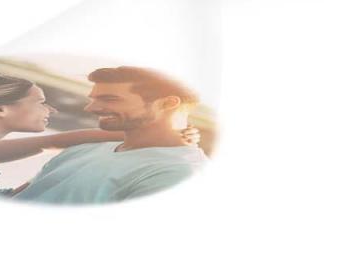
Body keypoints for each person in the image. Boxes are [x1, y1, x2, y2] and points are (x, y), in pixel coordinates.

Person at [14, 66, 208, 204]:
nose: (91, 108)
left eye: (110, 99)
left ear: (167, 104)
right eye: (94, 99)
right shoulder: (83, 149)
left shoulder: (178, 173)